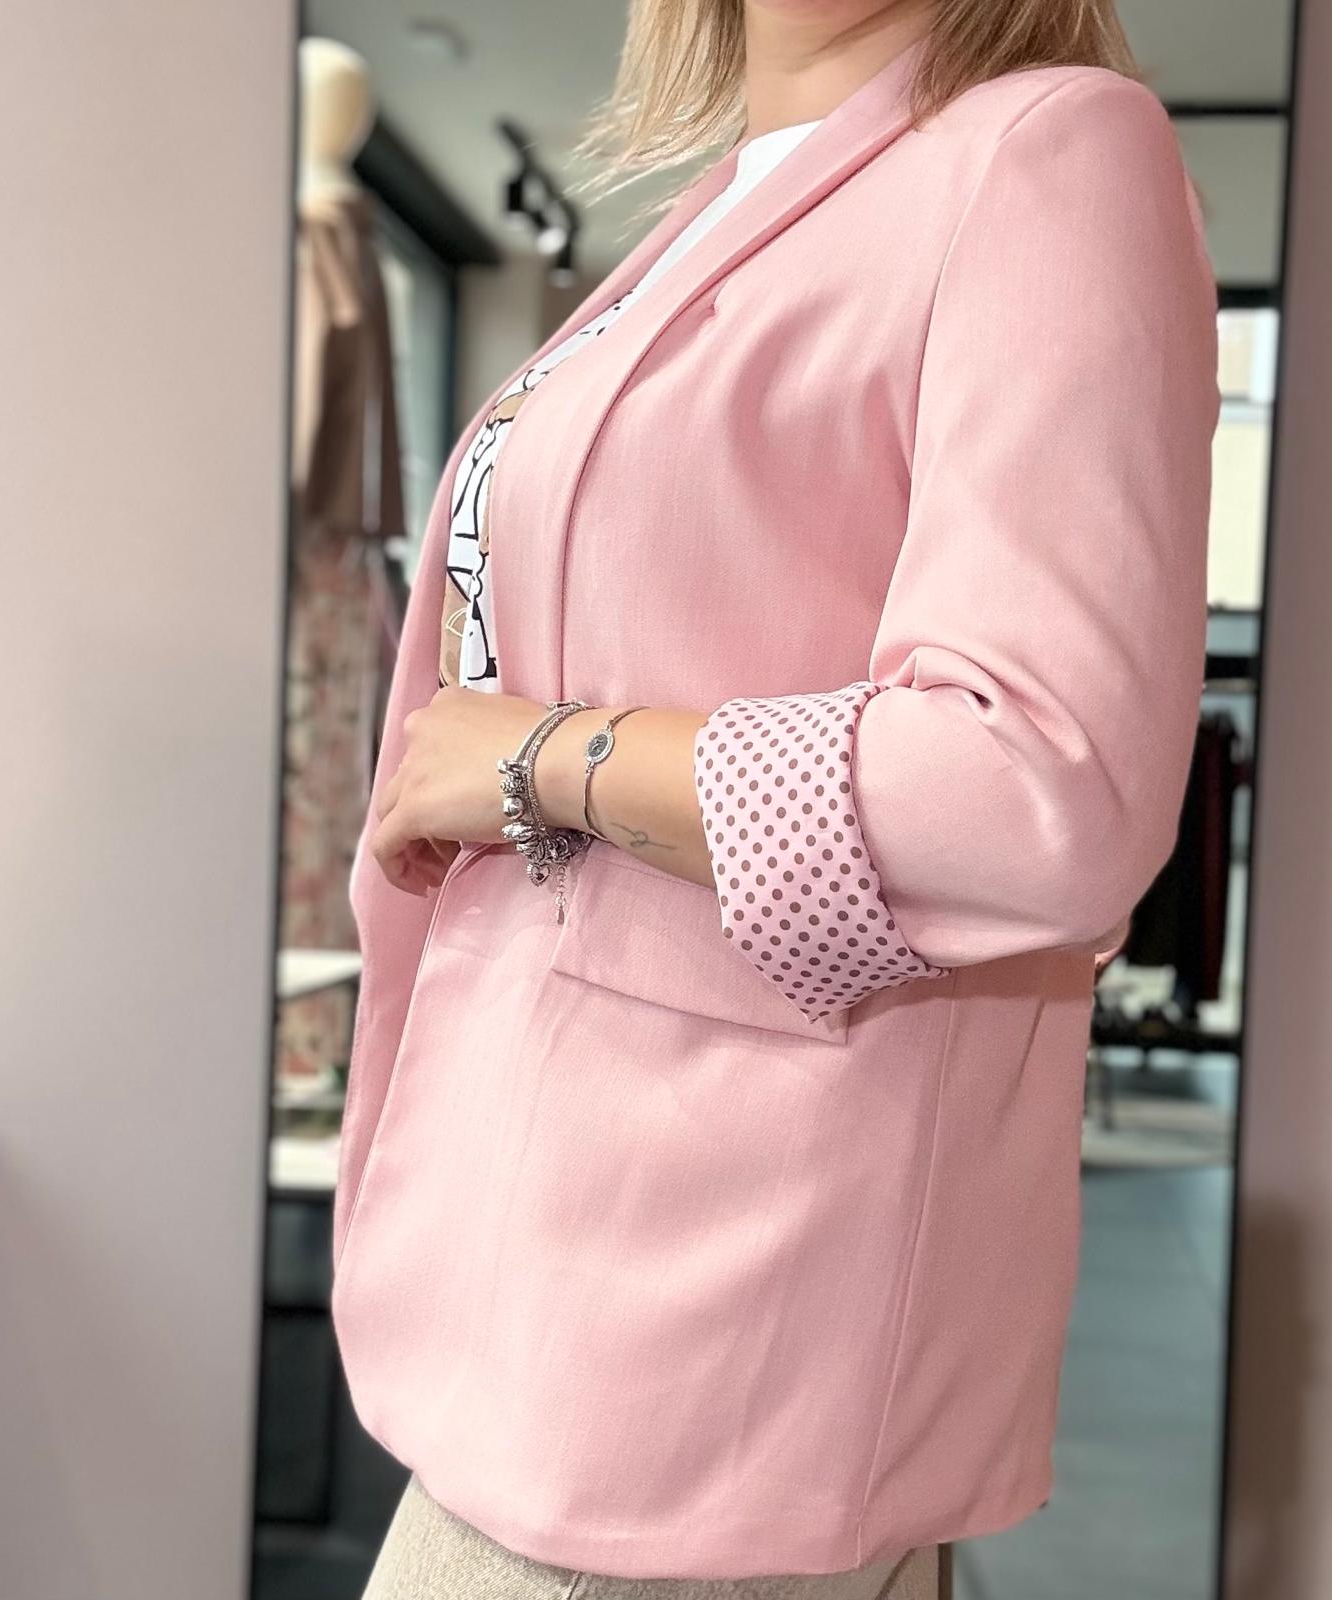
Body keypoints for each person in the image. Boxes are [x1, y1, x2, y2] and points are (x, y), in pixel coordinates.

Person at [333, 2, 1220, 1596]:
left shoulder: (1047, 151)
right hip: (534, 1241)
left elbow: (1042, 782)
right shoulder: (716, 210)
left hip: (706, 1302)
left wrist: (546, 758)